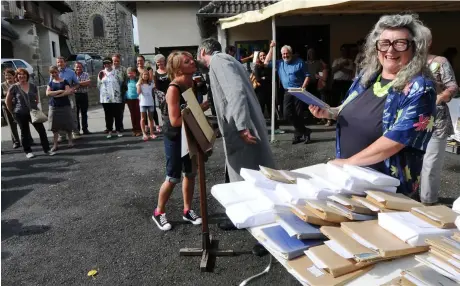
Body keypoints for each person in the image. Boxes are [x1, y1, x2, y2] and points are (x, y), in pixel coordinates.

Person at [309, 13, 437, 196]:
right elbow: (348, 110)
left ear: (414, 48)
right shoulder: (366, 78)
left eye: (400, 43)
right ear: (376, 47)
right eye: (384, 43)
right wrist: (329, 113)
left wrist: (347, 163)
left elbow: (397, 139)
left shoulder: (420, 88)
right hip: (350, 181)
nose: (390, 51)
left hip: (386, 191)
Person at [197, 38, 276, 182]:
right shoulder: (229, 60)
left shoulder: (218, 60)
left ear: (202, 52)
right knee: (255, 175)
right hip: (244, 126)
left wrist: (242, 125)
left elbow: (235, 91)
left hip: (241, 130)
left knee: (249, 178)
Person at [152, 51, 205, 231]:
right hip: (174, 136)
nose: (193, 61)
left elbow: (191, 109)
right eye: (187, 61)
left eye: (191, 59)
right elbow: (175, 120)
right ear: (177, 68)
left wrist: (202, 108)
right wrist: (197, 116)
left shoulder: (191, 83)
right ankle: (159, 212)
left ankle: (187, 210)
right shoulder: (173, 88)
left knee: (190, 174)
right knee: (173, 176)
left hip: (188, 134)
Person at [420, 27, 458, 205]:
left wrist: (440, 97)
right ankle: (408, 199)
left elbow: (452, 86)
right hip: (411, 119)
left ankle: (427, 202)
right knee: (409, 160)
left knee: (431, 162)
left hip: (436, 118)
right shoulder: (405, 62)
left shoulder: (439, 62)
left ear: (429, 42)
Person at [265, 42, 312, 144]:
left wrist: (303, 87)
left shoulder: (299, 62)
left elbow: (308, 75)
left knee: (298, 114)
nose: (285, 55)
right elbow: (266, 62)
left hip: (299, 91)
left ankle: (298, 134)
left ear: (291, 53)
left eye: (287, 53)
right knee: (287, 114)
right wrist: (271, 48)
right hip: (287, 91)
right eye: (283, 54)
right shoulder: (280, 63)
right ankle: (305, 131)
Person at [6, 68, 52, 158]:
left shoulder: (33, 86)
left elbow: (36, 98)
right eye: (19, 74)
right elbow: (8, 101)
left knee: (42, 131)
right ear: (17, 76)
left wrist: (34, 106)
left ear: (27, 76)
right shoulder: (14, 87)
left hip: (33, 112)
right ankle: (28, 151)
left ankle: (47, 149)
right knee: (25, 132)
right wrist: (12, 112)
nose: (22, 76)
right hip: (20, 113)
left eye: (24, 74)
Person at [253, 50, 283, 134]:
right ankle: (259, 129)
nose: (262, 57)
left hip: (269, 91)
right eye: (261, 56)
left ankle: (276, 128)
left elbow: (271, 78)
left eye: (264, 55)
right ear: (258, 58)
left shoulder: (269, 66)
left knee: (271, 110)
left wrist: (264, 78)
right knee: (260, 110)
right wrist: (264, 78)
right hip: (260, 92)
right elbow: (258, 78)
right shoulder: (257, 66)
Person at [47, 66, 75, 152]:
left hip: (64, 106)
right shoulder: (50, 83)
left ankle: (70, 141)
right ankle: (55, 144)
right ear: (50, 73)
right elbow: (48, 93)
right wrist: (60, 91)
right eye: (52, 73)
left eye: (55, 72)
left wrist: (57, 95)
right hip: (54, 106)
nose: (54, 74)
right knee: (54, 126)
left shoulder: (64, 81)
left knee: (68, 124)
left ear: (58, 72)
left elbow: (68, 92)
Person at [55, 56, 80, 141]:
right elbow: (50, 84)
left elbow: (77, 84)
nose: (60, 64)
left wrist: (73, 89)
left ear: (65, 63)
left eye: (61, 62)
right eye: (58, 62)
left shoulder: (71, 72)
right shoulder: (54, 72)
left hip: (69, 96)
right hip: (58, 96)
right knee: (60, 115)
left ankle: (75, 132)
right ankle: (62, 135)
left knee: (72, 114)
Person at [98, 57, 123, 139]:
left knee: (117, 114)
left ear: (111, 63)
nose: (107, 65)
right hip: (106, 98)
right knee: (108, 115)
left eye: (109, 63)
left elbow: (121, 82)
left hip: (116, 97)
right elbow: (99, 85)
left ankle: (118, 130)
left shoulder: (117, 72)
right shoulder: (101, 73)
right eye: (105, 63)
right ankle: (109, 130)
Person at [305, 48, 329, 124]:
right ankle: (310, 116)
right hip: (308, 84)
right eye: (309, 53)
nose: (311, 54)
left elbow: (323, 73)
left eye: (312, 53)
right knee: (309, 101)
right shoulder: (305, 63)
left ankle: (319, 117)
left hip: (317, 85)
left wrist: (319, 76)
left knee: (318, 100)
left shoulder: (318, 63)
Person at [2, 68, 22, 148]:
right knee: (12, 125)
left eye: (10, 75)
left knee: (23, 124)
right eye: (6, 75)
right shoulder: (2, 85)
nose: (8, 77)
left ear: (14, 76)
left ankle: (28, 139)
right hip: (7, 108)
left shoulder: (18, 84)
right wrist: (8, 100)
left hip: (19, 107)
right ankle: (16, 142)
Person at [137, 70, 158, 141]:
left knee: (151, 119)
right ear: (141, 76)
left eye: (147, 74)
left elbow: (154, 91)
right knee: (143, 118)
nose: (145, 76)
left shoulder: (151, 83)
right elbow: (138, 92)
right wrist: (139, 84)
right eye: (144, 74)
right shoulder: (139, 83)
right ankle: (144, 133)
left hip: (150, 103)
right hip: (143, 103)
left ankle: (151, 133)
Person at [74, 62, 91, 134]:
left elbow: (88, 83)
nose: (78, 68)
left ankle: (85, 129)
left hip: (83, 95)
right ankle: (77, 130)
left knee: (84, 113)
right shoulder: (72, 75)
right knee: (75, 114)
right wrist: (82, 83)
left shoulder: (86, 74)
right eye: (77, 67)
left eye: (80, 67)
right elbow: (70, 85)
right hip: (75, 95)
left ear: (82, 67)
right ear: (74, 68)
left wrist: (77, 83)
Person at [125, 67, 142, 136]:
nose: (130, 74)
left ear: (135, 73)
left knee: (138, 114)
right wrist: (125, 98)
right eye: (129, 73)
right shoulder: (126, 81)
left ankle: (139, 129)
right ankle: (134, 129)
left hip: (137, 99)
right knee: (132, 115)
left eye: (132, 73)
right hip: (129, 99)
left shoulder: (138, 80)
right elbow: (125, 89)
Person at [113, 53, 127, 131]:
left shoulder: (123, 69)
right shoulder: (109, 69)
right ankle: (111, 127)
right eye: (114, 61)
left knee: (120, 110)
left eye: (117, 61)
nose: (116, 63)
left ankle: (120, 125)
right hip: (111, 94)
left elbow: (126, 80)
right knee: (112, 111)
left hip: (121, 92)